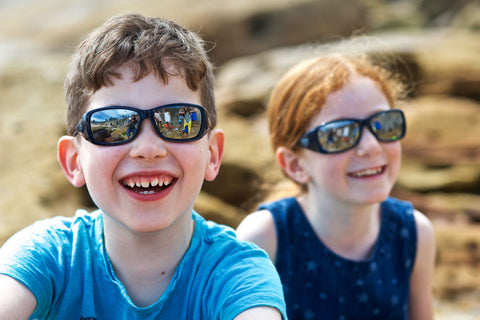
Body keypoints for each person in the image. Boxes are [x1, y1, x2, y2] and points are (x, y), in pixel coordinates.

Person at [0, 13, 287, 320]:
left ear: (213, 154)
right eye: (112, 125)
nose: (148, 149)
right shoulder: (48, 257)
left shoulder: (237, 273)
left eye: (179, 120)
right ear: (74, 161)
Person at [236, 54, 435, 320]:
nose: (371, 146)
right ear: (295, 164)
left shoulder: (413, 234)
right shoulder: (264, 238)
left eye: (383, 123)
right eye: (339, 134)